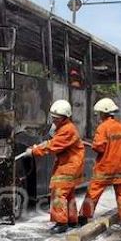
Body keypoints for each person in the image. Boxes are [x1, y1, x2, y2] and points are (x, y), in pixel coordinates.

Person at [26, 100, 84, 234]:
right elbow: (54, 142)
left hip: (69, 165)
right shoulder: (65, 128)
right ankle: (72, 220)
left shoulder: (67, 130)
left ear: (65, 117)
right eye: (52, 117)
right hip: (71, 163)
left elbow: (53, 146)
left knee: (58, 192)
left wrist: (34, 151)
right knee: (68, 194)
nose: (53, 120)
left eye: (56, 118)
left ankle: (61, 223)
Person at [79, 98, 121, 233]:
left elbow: (99, 147)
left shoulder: (103, 127)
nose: (98, 116)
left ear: (104, 113)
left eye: (99, 113)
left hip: (106, 168)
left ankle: (83, 217)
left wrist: (93, 144)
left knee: (93, 192)